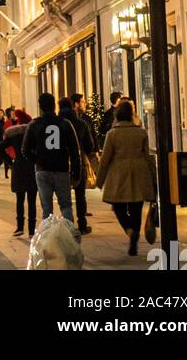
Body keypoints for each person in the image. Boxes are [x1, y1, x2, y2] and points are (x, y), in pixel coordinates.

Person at [95, 98, 155, 256]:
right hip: (139, 171)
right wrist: (154, 176)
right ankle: (134, 232)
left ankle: (129, 231)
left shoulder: (112, 134)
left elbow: (106, 158)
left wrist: (99, 180)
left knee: (118, 207)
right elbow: (148, 156)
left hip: (119, 173)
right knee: (136, 207)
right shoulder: (141, 132)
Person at [22, 91, 81, 223]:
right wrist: (76, 173)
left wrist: (37, 160)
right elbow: (74, 151)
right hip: (62, 168)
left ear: (40, 107)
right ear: (54, 106)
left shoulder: (34, 124)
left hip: (43, 170)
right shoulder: (65, 123)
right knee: (66, 205)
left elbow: (25, 150)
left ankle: (47, 237)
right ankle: (69, 234)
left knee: (46, 208)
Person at [60, 97, 96, 234]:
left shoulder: (58, 124)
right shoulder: (81, 123)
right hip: (79, 162)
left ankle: (68, 225)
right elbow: (90, 145)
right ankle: (82, 223)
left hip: (62, 164)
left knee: (65, 197)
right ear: (73, 107)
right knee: (81, 195)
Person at [3, 109, 37, 237]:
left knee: (20, 199)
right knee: (32, 200)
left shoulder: (14, 135)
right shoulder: (33, 135)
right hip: (31, 168)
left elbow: (0, 148)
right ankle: (32, 230)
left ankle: (20, 227)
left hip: (18, 168)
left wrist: (10, 162)